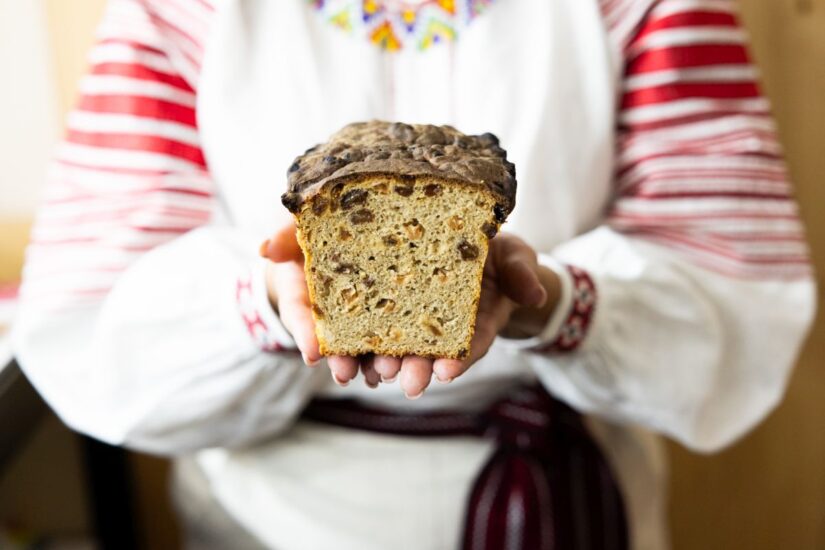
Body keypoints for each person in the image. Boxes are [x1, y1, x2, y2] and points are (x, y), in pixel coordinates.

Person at [12, 0, 816, 548]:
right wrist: (266, 297)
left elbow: (733, 296)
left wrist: (550, 301)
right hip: (279, 515)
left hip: (563, 486)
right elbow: (95, 322)